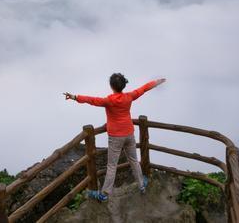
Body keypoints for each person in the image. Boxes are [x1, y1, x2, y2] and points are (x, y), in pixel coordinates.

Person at [63, 73, 166, 202]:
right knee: (134, 160)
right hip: (129, 133)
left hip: (115, 137)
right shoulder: (129, 96)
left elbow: (92, 100)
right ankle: (141, 186)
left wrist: (74, 97)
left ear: (111, 86)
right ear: (123, 85)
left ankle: (105, 193)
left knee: (112, 166)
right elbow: (144, 88)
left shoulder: (109, 100)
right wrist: (157, 82)